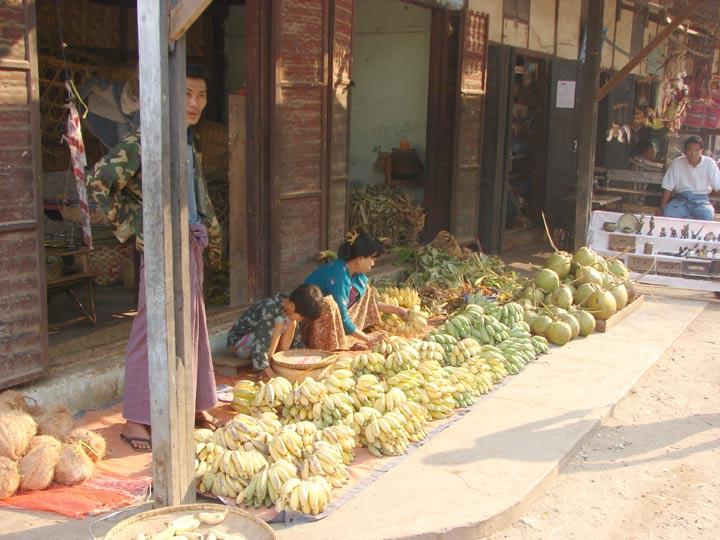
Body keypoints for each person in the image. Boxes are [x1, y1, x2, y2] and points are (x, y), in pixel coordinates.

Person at [86, 65, 222, 451]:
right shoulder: (146, 139)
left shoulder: (189, 140)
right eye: (187, 94)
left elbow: (196, 193)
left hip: (189, 243)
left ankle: (193, 404)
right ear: (170, 96)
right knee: (151, 329)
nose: (195, 103)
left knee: (192, 324)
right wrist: (136, 227)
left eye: (201, 95)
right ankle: (136, 419)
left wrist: (210, 235)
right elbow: (98, 182)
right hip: (161, 247)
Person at [302, 230, 407, 351]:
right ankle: (327, 345)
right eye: (371, 258)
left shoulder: (356, 274)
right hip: (312, 323)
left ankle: (349, 336)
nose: (373, 263)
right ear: (360, 259)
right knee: (329, 304)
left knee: (365, 291)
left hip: (337, 318)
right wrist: (368, 339)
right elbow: (342, 316)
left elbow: (368, 304)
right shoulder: (339, 274)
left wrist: (398, 310)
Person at [226, 284, 324, 379]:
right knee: (279, 322)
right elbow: (261, 341)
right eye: (302, 317)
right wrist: (266, 370)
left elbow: (296, 342)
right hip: (240, 344)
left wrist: (306, 355)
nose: (301, 320)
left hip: (263, 343)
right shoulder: (269, 310)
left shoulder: (289, 310)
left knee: (290, 322)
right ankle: (265, 367)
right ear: (291, 306)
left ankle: (278, 361)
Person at [659, 135, 720, 220]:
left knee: (707, 215)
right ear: (684, 151)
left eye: (697, 150)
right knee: (668, 212)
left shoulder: (709, 163)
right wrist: (662, 209)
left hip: (701, 202)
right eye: (689, 150)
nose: (693, 153)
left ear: (702, 151)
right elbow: (668, 187)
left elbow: (718, 186)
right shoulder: (677, 163)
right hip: (681, 201)